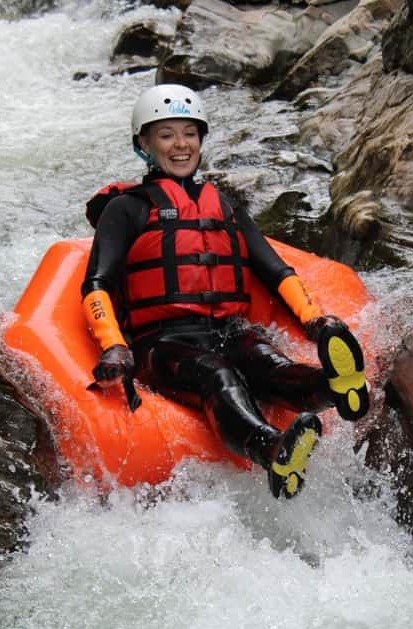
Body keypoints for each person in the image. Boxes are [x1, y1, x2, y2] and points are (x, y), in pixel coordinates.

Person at [80, 84, 369, 499]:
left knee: (267, 362)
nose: (181, 145)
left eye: (189, 133)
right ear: (143, 143)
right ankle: (273, 448)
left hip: (229, 330)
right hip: (163, 344)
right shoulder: (126, 209)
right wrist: (113, 346)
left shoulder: (226, 206)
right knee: (219, 375)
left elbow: (274, 270)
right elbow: (97, 282)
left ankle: (334, 386)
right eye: (166, 135)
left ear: (201, 139)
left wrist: (314, 321)